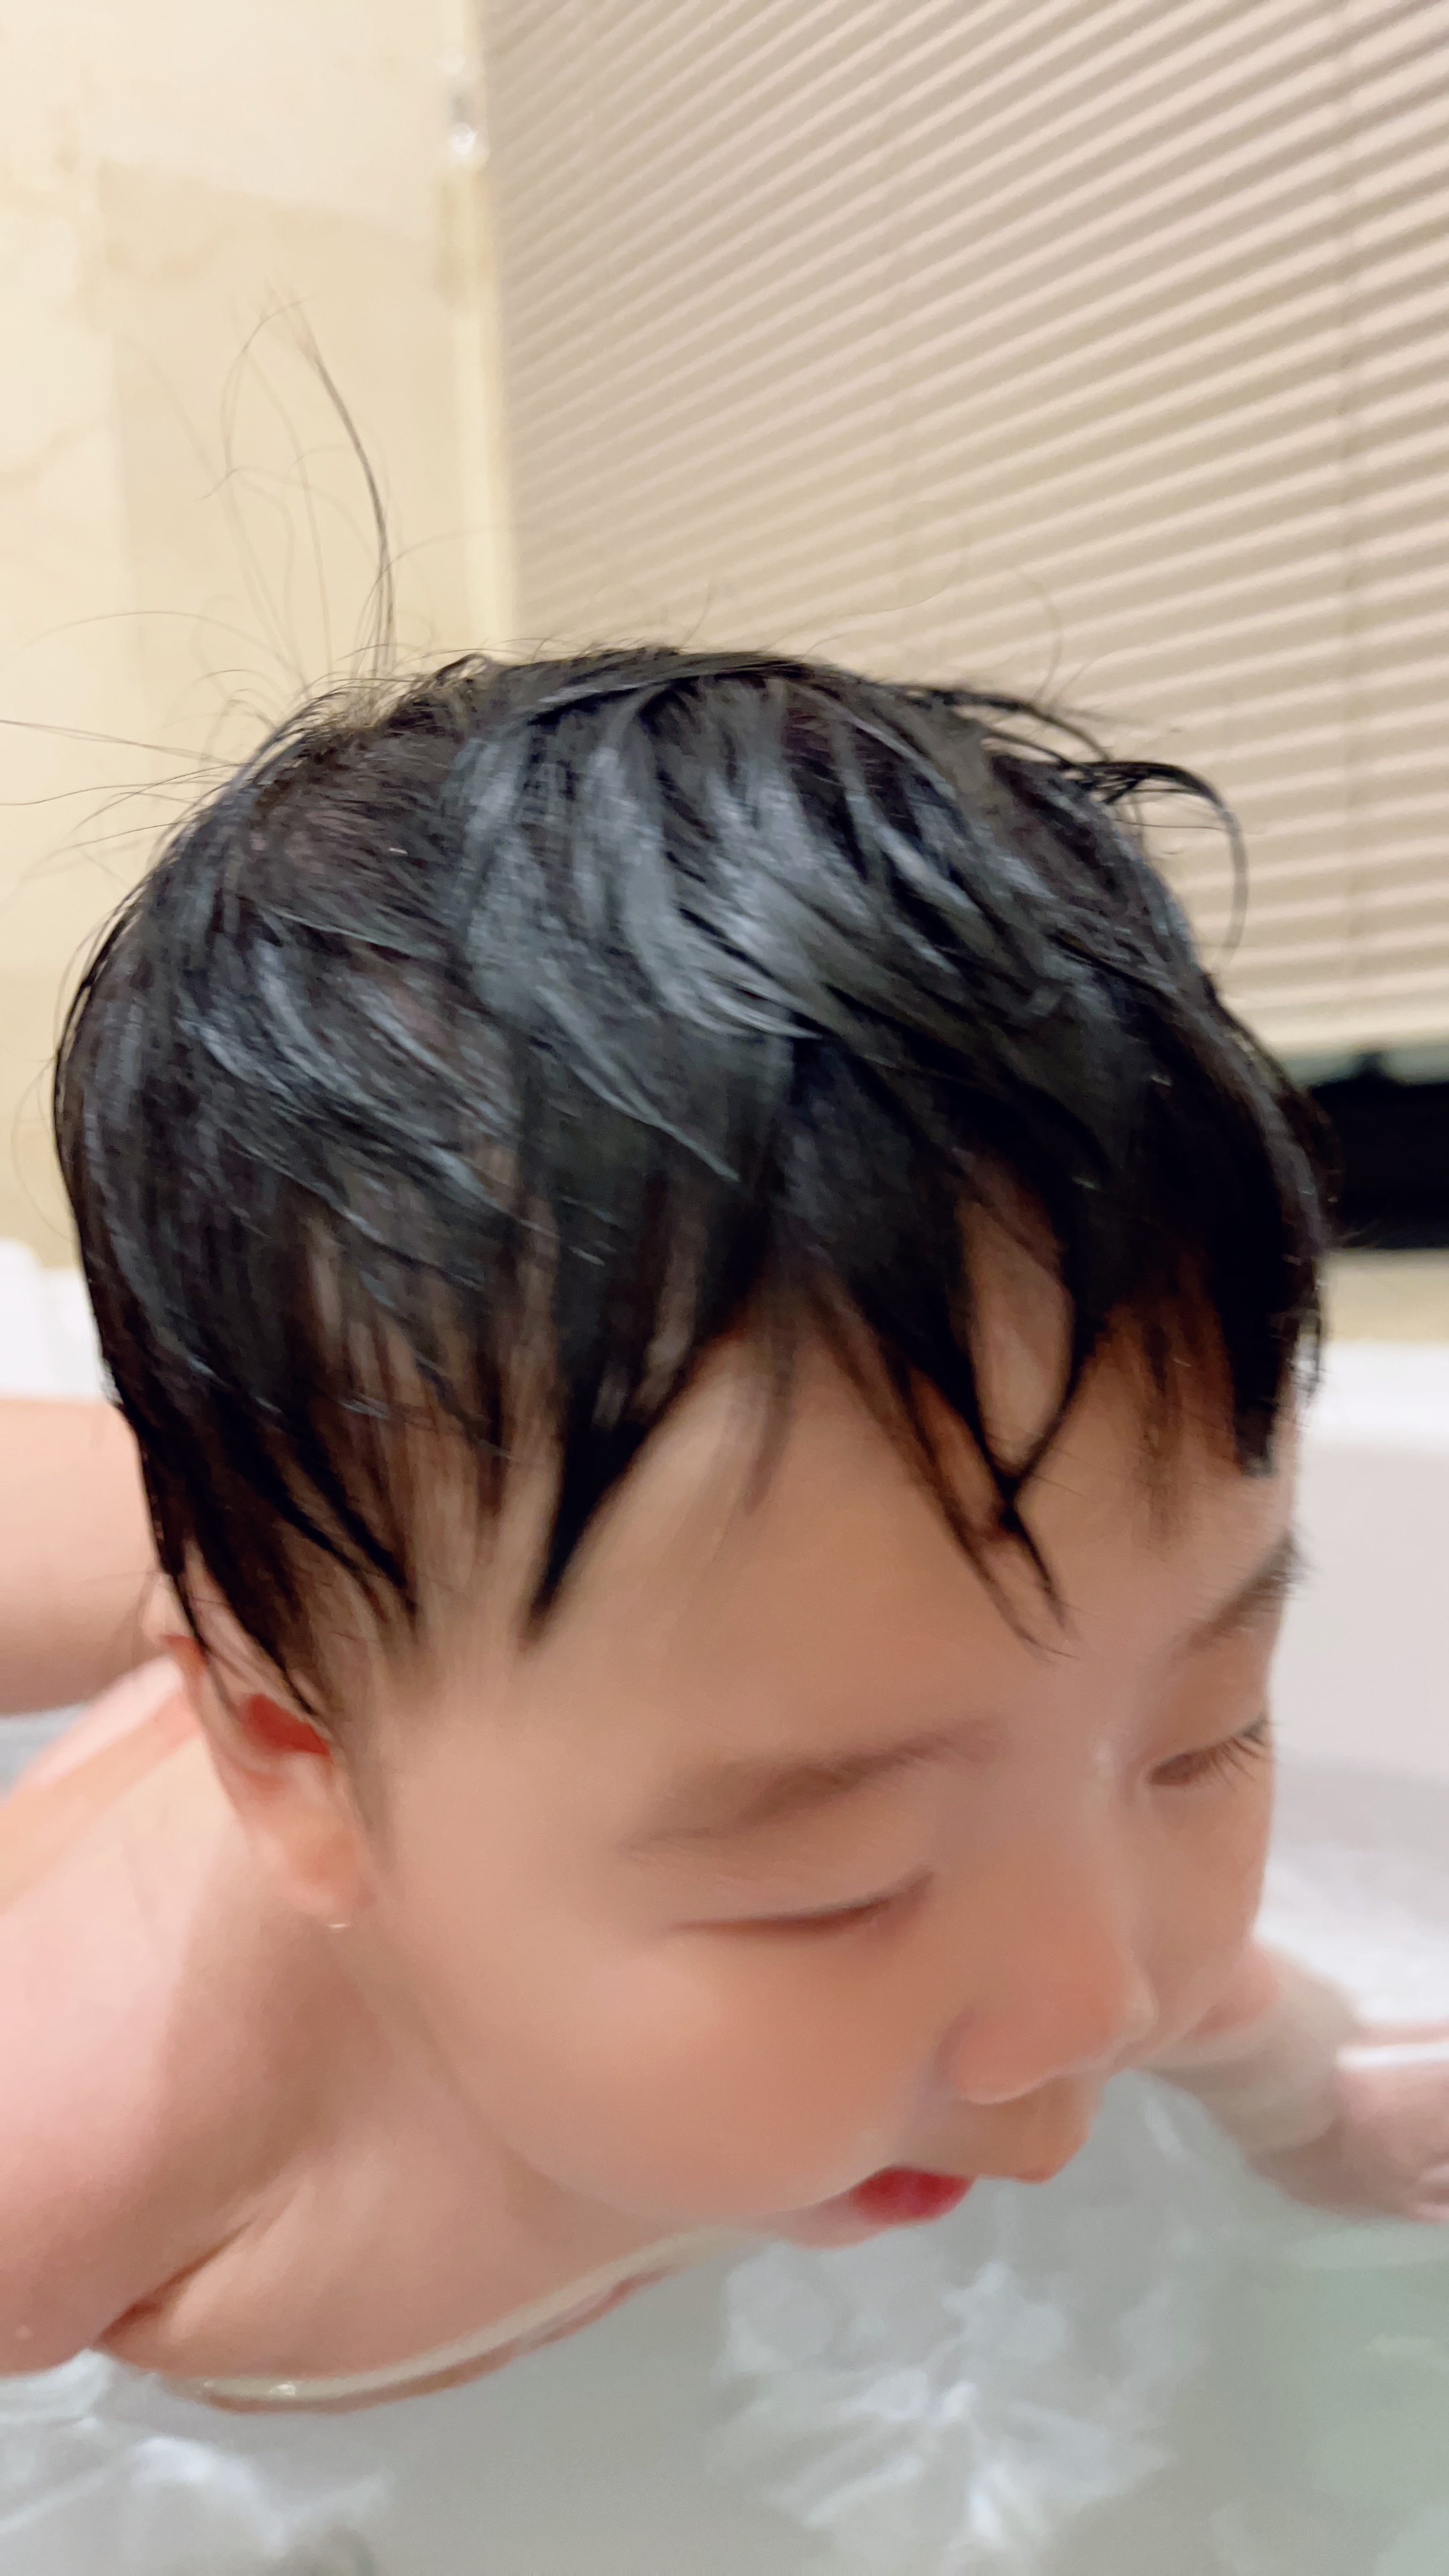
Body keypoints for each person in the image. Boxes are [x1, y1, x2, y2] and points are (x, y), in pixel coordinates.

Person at [3, 648, 1446, 2417]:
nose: (1103, 2005)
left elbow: (1177, 1963)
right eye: (839, 1888)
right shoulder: (68, 2146)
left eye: (1203, 1743)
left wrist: (1317, 2112)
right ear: (300, 1762)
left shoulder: (1041, 1880)